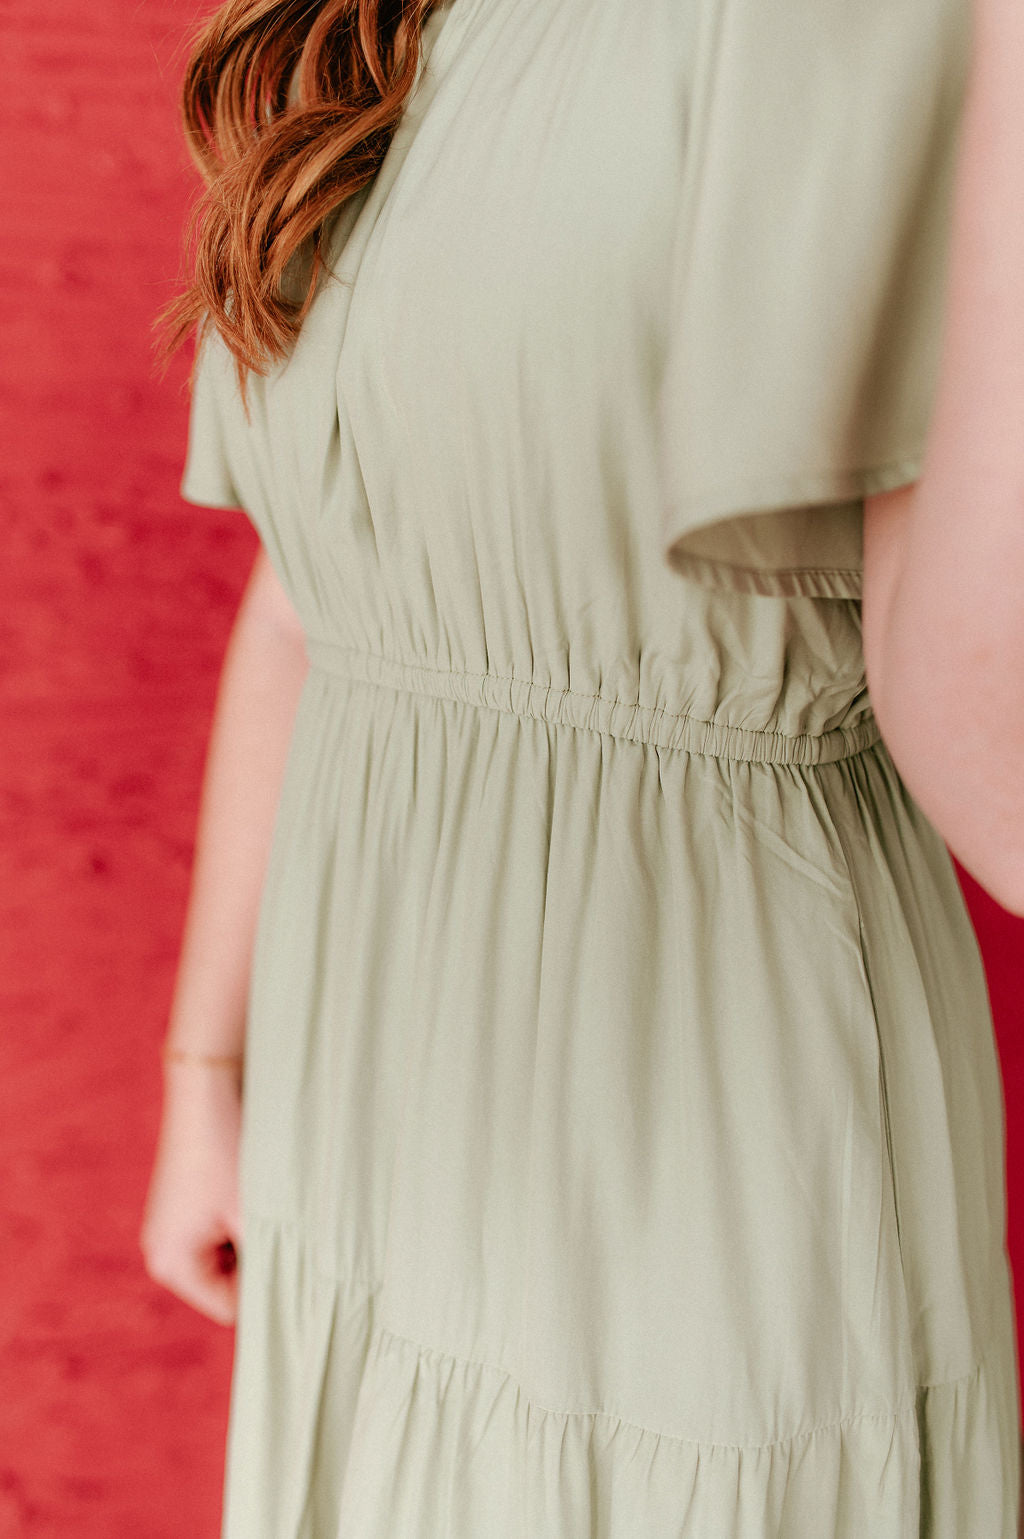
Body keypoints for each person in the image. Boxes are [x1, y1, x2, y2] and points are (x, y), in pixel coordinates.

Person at [140, 0, 1024, 1532]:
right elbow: (307, 602)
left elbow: (967, 691)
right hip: (367, 1112)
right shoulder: (364, 22)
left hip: (694, 1095)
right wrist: (204, 1070)